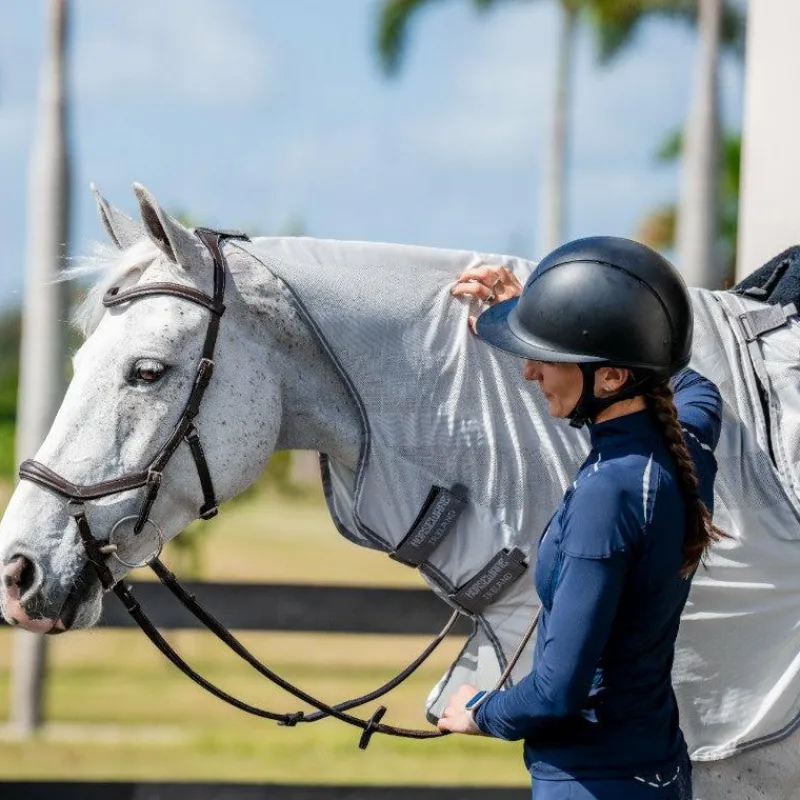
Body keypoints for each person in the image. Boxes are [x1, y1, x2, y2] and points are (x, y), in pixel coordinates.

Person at [438, 236, 725, 800]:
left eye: (545, 357)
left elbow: (555, 693)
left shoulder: (607, 496)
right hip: (657, 771)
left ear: (612, 378)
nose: (529, 372)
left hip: (591, 783)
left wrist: (481, 710)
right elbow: (698, 387)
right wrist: (552, 315)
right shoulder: (684, 448)